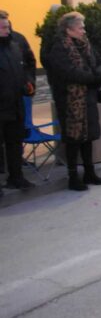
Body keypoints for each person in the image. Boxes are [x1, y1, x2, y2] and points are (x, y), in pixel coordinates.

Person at [45, 12, 101, 191]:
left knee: (88, 137)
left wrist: (100, 73)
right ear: (69, 29)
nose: (84, 30)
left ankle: (90, 172)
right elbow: (69, 73)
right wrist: (94, 78)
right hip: (70, 100)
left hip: (88, 96)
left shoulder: (86, 45)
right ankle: (73, 177)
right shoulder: (59, 48)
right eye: (80, 27)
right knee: (74, 138)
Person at [0, 11, 37, 190]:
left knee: (15, 142)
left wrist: (29, 82)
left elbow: (28, 65)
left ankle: (16, 177)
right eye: (3, 27)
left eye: (8, 26)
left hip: (16, 104)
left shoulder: (15, 44)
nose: (8, 30)